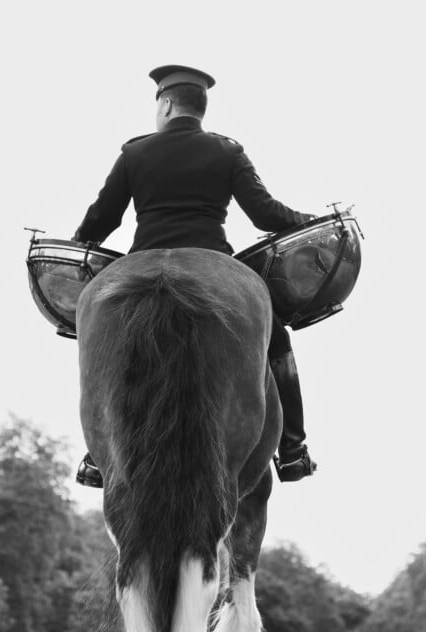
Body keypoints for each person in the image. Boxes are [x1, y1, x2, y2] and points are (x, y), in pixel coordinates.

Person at [73, 64, 317, 488]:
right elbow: (266, 214)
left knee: (99, 338)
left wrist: (80, 238)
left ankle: (99, 453)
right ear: (199, 108)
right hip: (214, 255)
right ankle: (293, 448)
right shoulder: (227, 152)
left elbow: (102, 219)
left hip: (142, 258)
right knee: (275, 337)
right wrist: (307, 218)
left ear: (165, 103)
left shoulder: (135, 153)